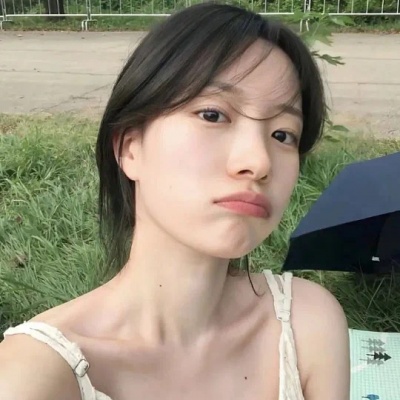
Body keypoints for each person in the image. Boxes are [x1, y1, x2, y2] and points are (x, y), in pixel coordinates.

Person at [0, 3, 350, 399]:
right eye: (213, 115)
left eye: (283, 135)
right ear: (130, 148)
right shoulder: (33, 377)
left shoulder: (307, 325)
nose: (258, 163)